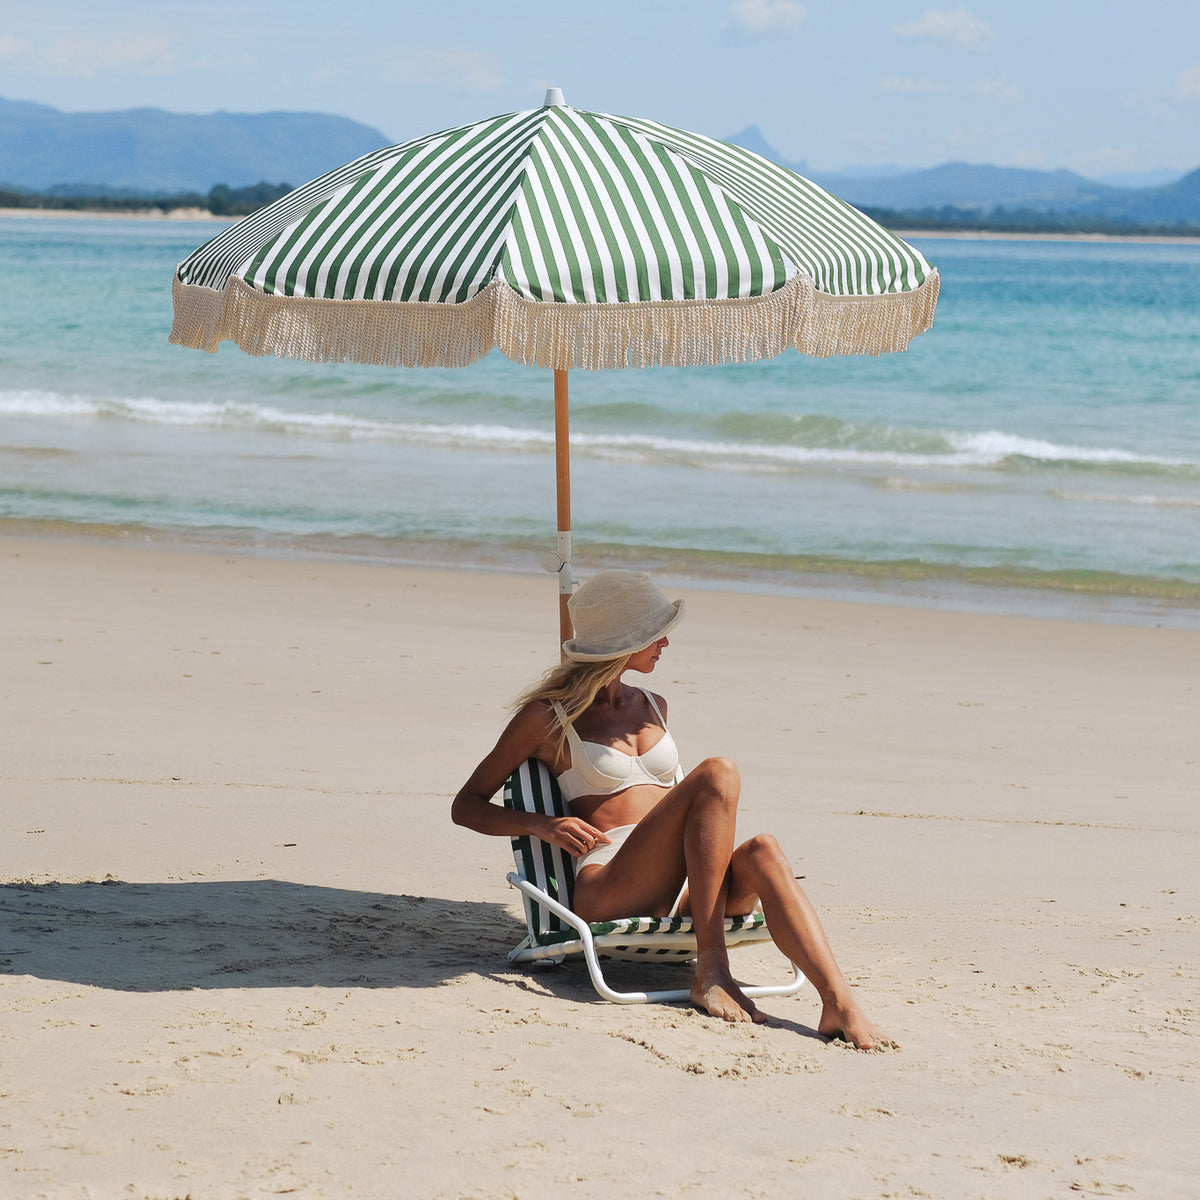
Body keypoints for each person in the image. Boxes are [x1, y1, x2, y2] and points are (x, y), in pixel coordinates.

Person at [452, 569, 893, 1050]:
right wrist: (543, 824)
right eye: (653, 632)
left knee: (765, 849)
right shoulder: (547, 717)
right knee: (719, 772)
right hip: (612, 882)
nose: (664, 642)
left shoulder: (654, 704)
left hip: (689, 887)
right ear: (623, 642)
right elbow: (467, 806)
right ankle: (712, 965)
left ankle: (839, 1003)